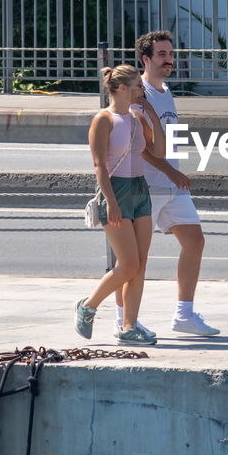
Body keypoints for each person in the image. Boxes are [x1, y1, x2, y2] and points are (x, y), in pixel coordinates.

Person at [114, 30, 219, 337]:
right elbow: (137, 146)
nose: (168, 60)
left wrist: (174, 171)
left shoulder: (166, 91)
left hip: (170, 185)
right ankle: (123, 321)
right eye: (161, 55)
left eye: (170, 54)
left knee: (195, 241)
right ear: (145, 59)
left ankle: (184, 315)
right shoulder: (139, 94)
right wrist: (171, 172)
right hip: (146, 186)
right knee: (134, 261)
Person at [75, 64, 165, 345]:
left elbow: (159, 152)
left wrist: (151, 115)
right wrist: (111, 203)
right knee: (127, 264)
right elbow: (99, 166)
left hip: (139, 189)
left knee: (140, 264)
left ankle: (129, 325)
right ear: (123, 88)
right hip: (115, 192)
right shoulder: (104, 120)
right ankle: (88, 305)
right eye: (138, 85)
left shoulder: (137, 117)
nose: (142, 90)